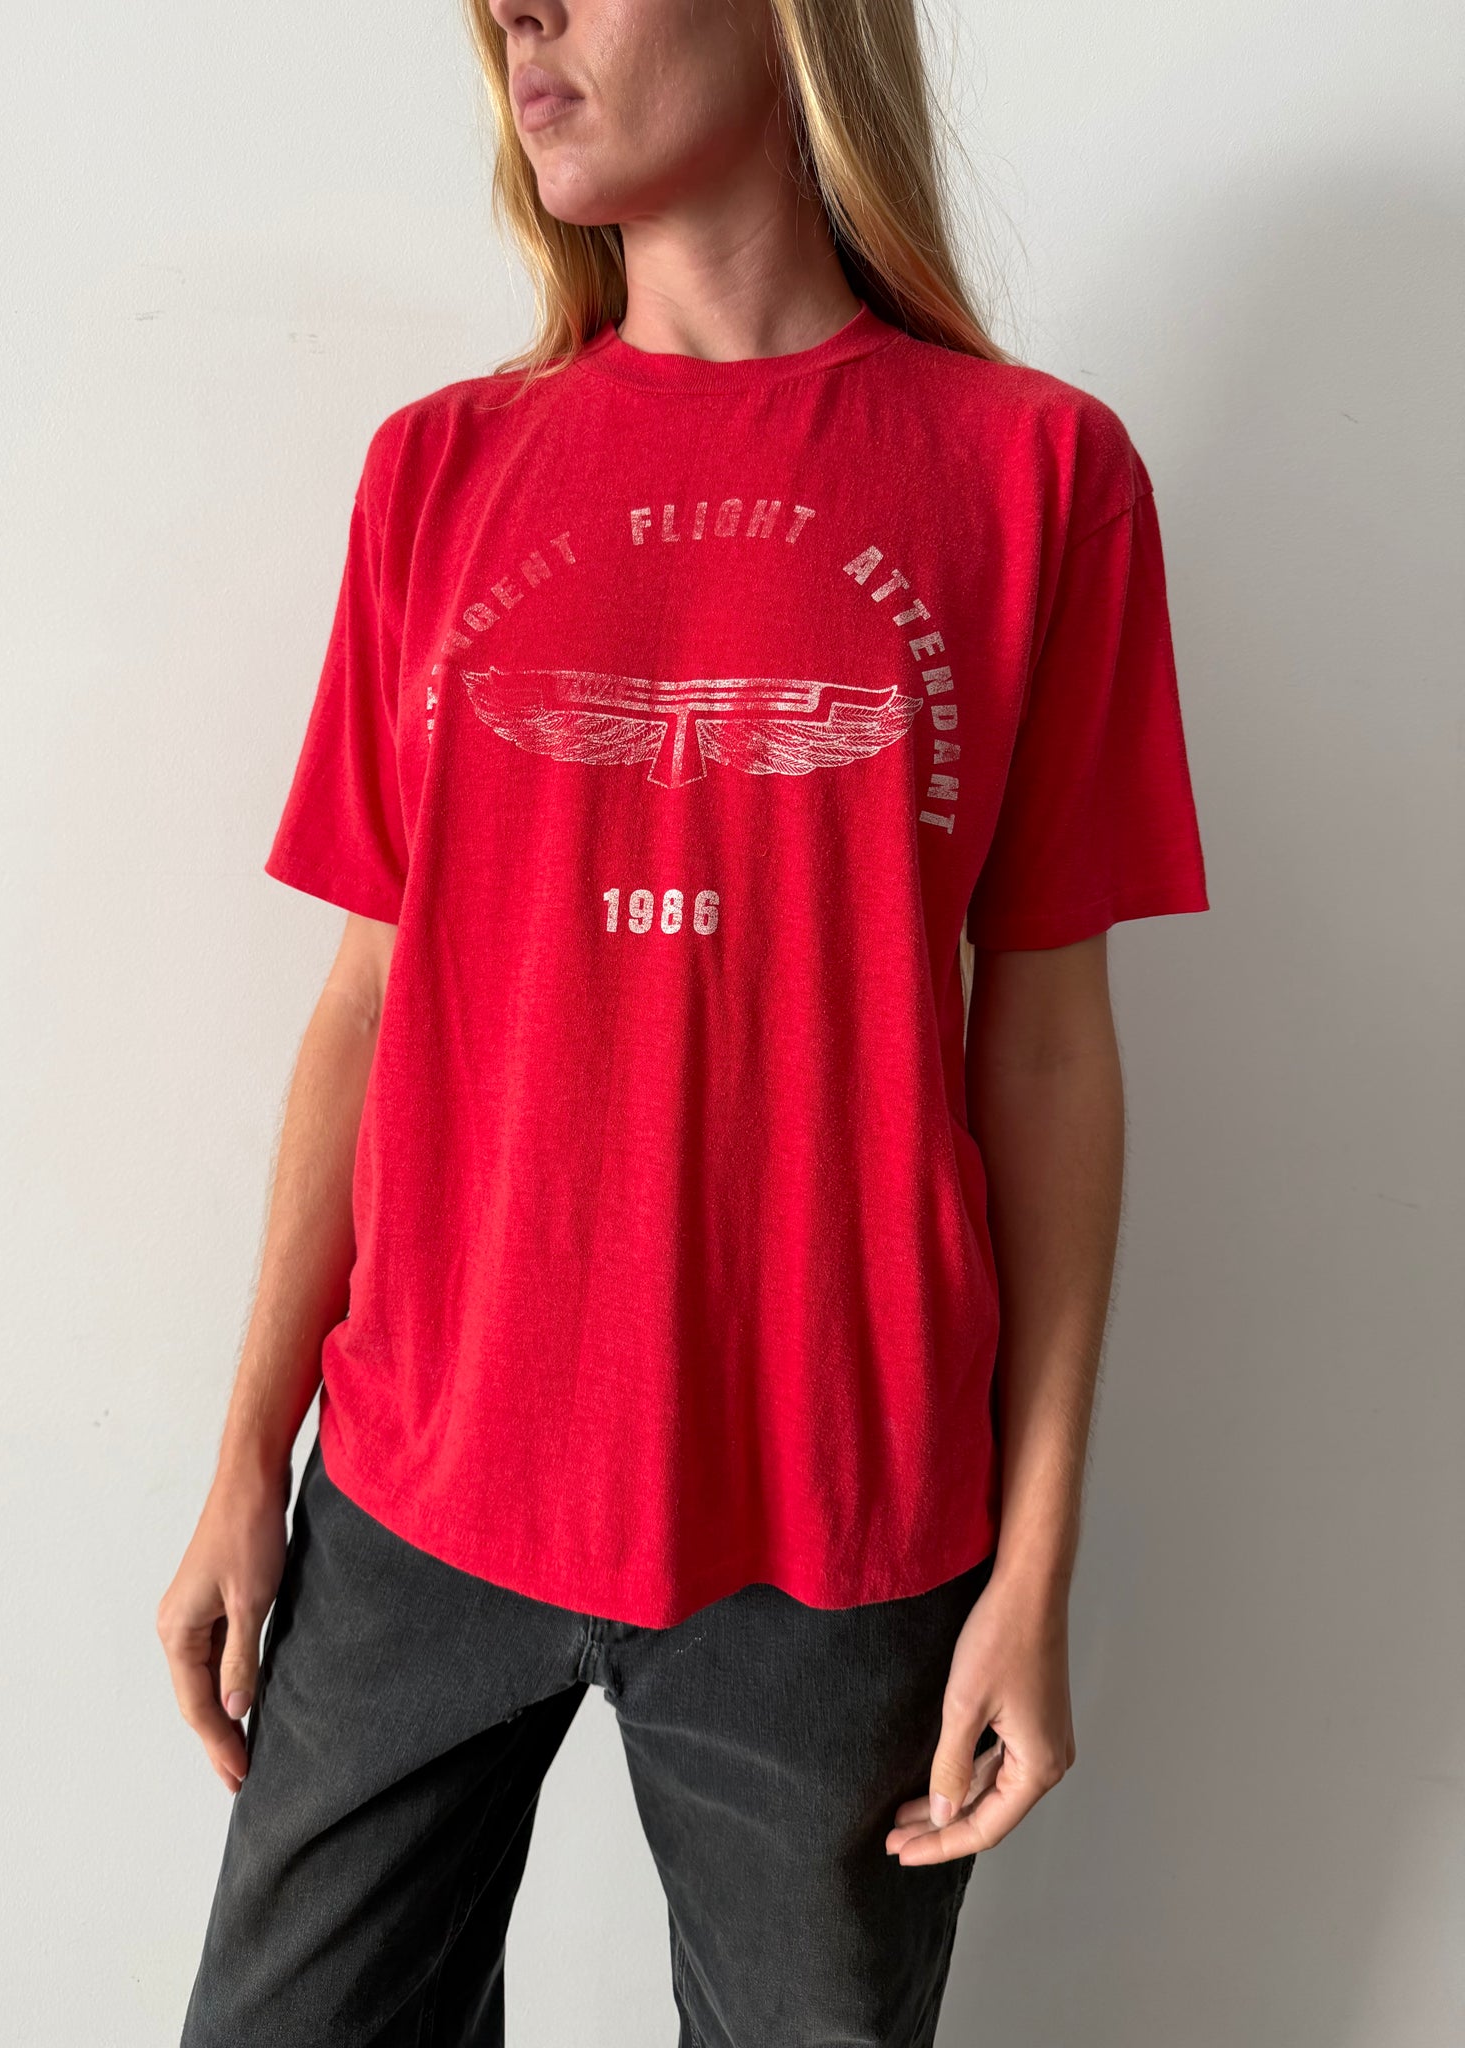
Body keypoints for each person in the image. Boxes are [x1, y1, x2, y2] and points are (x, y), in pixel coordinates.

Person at [158, 1, 1211, 2041]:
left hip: (838, 1523)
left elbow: (1048, 1050)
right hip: (418, 1488)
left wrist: (1037, 1559)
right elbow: (370, 999)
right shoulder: (441, 470)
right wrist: (242, 1458)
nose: (515, 13)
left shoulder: (1034, 474)